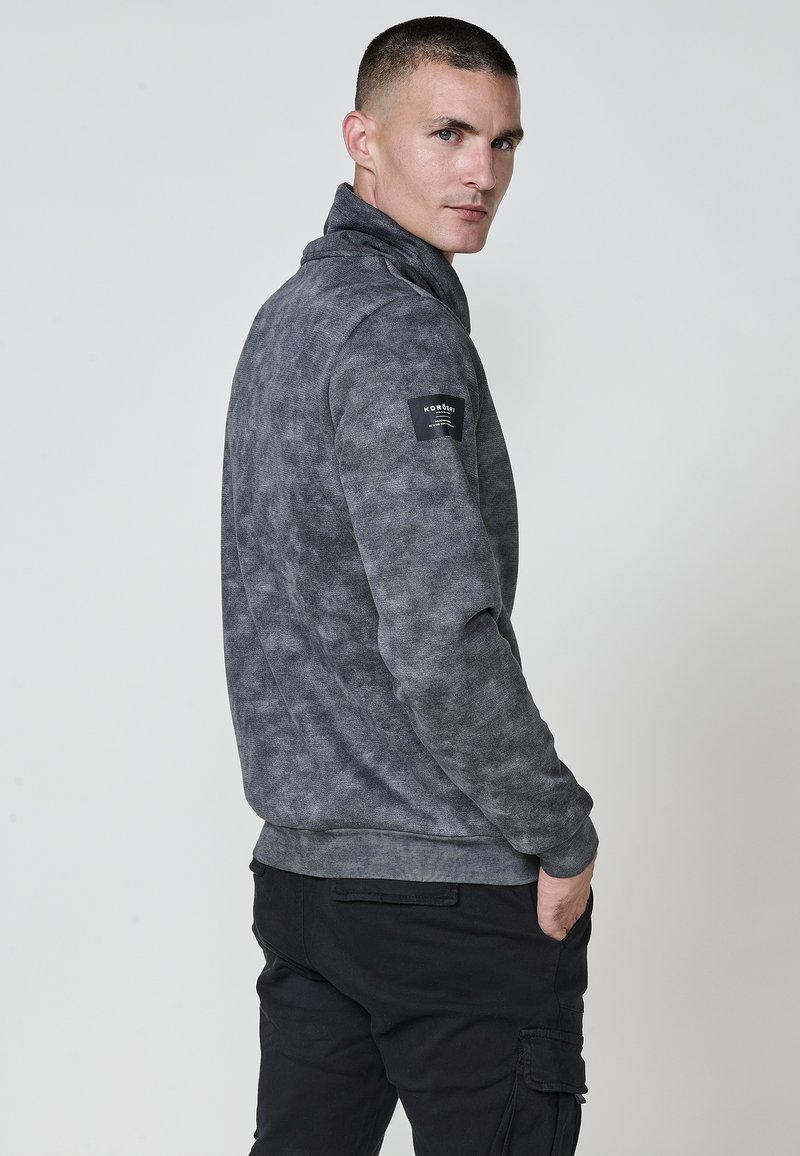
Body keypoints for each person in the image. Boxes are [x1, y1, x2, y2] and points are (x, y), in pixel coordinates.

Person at [221, 15, 599, 1155]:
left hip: (307, 880)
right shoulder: (396, 334)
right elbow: (440, 634)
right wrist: (560, 831)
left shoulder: (289, 319)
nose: (481, 172)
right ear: (363, 138)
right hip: (441, 898)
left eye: (502, 141)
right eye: (447, 133)